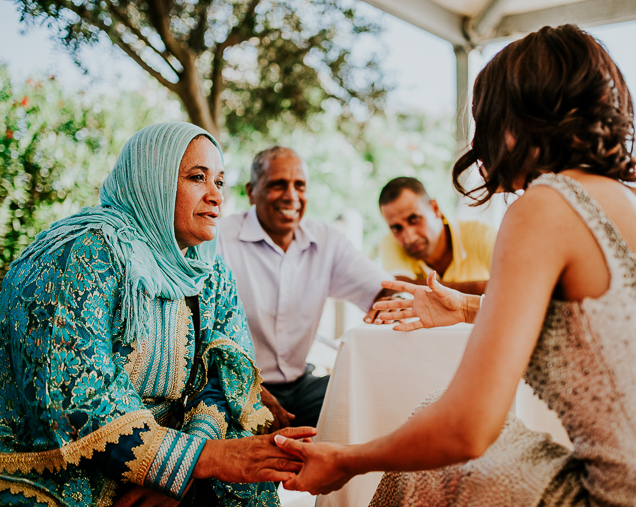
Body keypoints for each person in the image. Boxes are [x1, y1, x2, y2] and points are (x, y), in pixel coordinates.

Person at [273, 25, 636, 505]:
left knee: (438, 458)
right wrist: (463, 307)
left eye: (484, 116)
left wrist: (348, 459)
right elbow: (613, 326)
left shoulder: (547, 204)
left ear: (515, 117)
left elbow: (468, 428)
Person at [0, 122, 316, 507]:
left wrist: (185, 468)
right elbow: (74, 399)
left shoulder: (205, 265)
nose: (216, 195)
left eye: (219, 181)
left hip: (176, 446)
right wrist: (200, 461)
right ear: (152, 180)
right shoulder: (83, 252)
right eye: (197, 178)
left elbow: (225, 366)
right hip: (68, 464)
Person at [217, 146, 394, 430]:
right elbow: (203, 335)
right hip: (235, 386)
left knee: (362, 402)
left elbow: (384, 290)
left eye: (299, 185)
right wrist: (249, 390)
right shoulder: (220, 239)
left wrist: (397, 306)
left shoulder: (326, 241)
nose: (291, 195)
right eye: (278, 185)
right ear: (251, 192)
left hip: (301, 386)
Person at [378, 176, 496, 295]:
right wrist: (481, 288)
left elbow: (510, 286)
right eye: (396, 228)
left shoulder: (482, 234)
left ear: (435, 209)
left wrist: (413, 285)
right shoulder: (390, 242)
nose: (410, 238)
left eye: (414, 219)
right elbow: (397, 290)